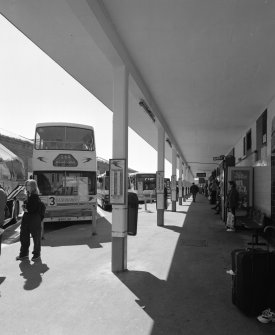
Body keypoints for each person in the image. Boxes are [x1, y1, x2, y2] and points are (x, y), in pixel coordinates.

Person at [16, 179, 43, 261]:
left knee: (35, 238)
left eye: (27, 185)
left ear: (32, 187)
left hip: (33, 220)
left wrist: (24, 208)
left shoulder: (34, 196)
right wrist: (25, 206)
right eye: (26, 185)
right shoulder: (29, 195)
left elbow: (32, 209)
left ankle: (36, 255)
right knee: (24, 236)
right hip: (28, 219)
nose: (25, 187)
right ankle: (24, 254)